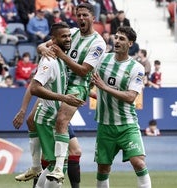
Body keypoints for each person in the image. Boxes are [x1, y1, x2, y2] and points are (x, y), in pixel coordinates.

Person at [37, 2, 106, 183]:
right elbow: (43, 45)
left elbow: (84, 71)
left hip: (77, 86)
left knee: (61, 121)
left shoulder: (98, 43)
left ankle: (59, 168)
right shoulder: (72, 32)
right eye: (79, 15)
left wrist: (62, 56)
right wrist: (43, 48)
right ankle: (37, 168)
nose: (81, 18)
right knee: (32, 120)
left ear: (93, 18)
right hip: (60, 82)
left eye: (85, 15)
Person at [17, 22, 85, 188]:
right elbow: (34, 87)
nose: (68, 39)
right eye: (64, 36)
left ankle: (36, 171)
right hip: (47, 120)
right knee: (56, 166)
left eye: (69, 36)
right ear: (53, 40)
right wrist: (64, 98)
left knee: (57, 165)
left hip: (52, 118)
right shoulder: (50, 61)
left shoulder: (61, 59)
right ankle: (36, 168)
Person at [91, 26, 151, 188]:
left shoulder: (136, 68)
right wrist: (86, 93)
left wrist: (104, 88)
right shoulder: (102, 60)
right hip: (105, 125)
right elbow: (88, 83)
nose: (117, 41)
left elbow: (131, 97)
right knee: (103, 168)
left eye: (122, 39)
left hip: (127, 125)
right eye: (116, 37)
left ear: (130, 44)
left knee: (138, 162)